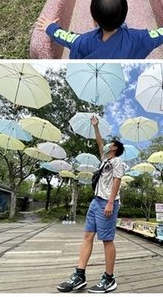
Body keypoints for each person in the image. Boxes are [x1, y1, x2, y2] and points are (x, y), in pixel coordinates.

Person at [57, 115, 126, 294]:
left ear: (116, 148)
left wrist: (110, 203)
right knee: (87, 237)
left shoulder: (117, 161)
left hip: (107, 203)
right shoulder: (105, 160)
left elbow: (117, 181)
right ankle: (80, 275)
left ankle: (109, 279)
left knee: (107, 240)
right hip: (95, 202)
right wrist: (95, 126)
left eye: (111, 144)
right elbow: (99, 142)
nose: (107, 145)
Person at [36, 0, 163, 59]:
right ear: (125, 15)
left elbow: (65, 37)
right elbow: (161, 33)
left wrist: (50, 27)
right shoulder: (140, 38)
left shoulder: (82, 41)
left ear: (94, 20)